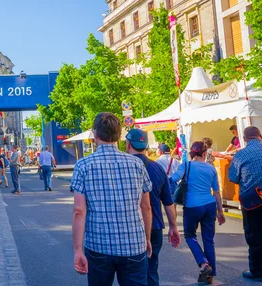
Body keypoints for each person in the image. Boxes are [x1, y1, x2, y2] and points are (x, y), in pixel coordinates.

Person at [71, 112, 153, 286]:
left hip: (98, 245)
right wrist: (147, 238)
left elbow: (79, 211)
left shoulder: (83, 165)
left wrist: (78, 250)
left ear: (96, 134)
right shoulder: (137, 164)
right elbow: (146, 207)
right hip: (134, 244)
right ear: (119, 135)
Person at [126, 130, 180, 286]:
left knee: (132, 274)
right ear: (146, 147)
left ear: (128, 145)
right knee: (151, 270)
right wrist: (173, 227)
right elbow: (168, 202)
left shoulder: (125, 168)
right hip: (155, 226)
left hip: (131, 227)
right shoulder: (157, 168)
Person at [171, 141, 225, 284]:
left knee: (190, 236)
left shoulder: (186, 165)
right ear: (204, 153)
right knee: (208, 240)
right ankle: (210, 275)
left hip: (192, 207)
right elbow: (217, 192)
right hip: (209, 205)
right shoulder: (211, 169)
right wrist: (220, 211)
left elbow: (174, 179)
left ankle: (203, 264)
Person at [228, 126, 262, 282]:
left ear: (245, 138)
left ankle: (257, 271)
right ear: (260, 136)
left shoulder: (240, 155)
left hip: (252, 202)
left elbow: (233, 178)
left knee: (254, 235)